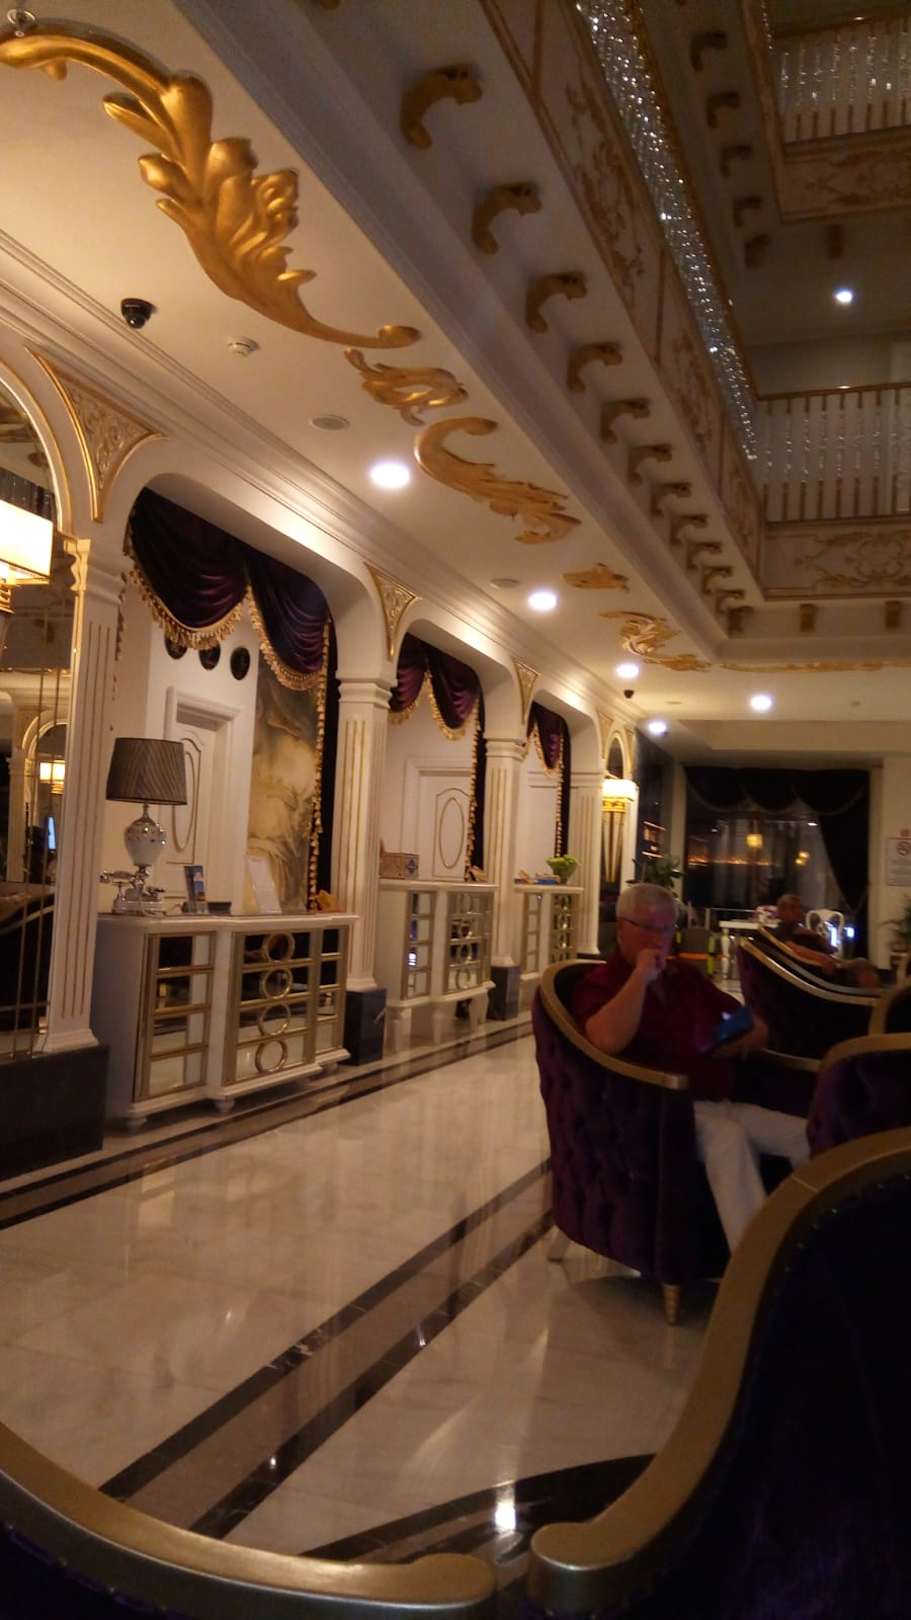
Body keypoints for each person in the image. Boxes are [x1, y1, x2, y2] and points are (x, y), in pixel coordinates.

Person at [572, 882, 809, 1252]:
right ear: (622, 928)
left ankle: (810, 1249)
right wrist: (640, 977)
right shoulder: (602, 984)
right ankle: (756, 1268)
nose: (659, 940)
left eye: (667, 929)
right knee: (727, 1139)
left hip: (716, 1098)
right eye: (649, 928)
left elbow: (752, 1023)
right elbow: (605, 1039)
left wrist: (733, 1040)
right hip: (658, 1109)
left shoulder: (684, 978)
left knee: (805, 1135)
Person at [773, 894, 879, 989]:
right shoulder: (781, 931)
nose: (798, 911)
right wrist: (822, 958)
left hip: (830, 964)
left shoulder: (803, 931)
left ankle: (872, 997)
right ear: (782, 911)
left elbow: (832, 949)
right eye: (793, 908)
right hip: (816, 971)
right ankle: (870, 999)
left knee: (864, 965)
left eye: (799, 907)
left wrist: (816, 936)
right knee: (861, 964)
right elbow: (795, 949)